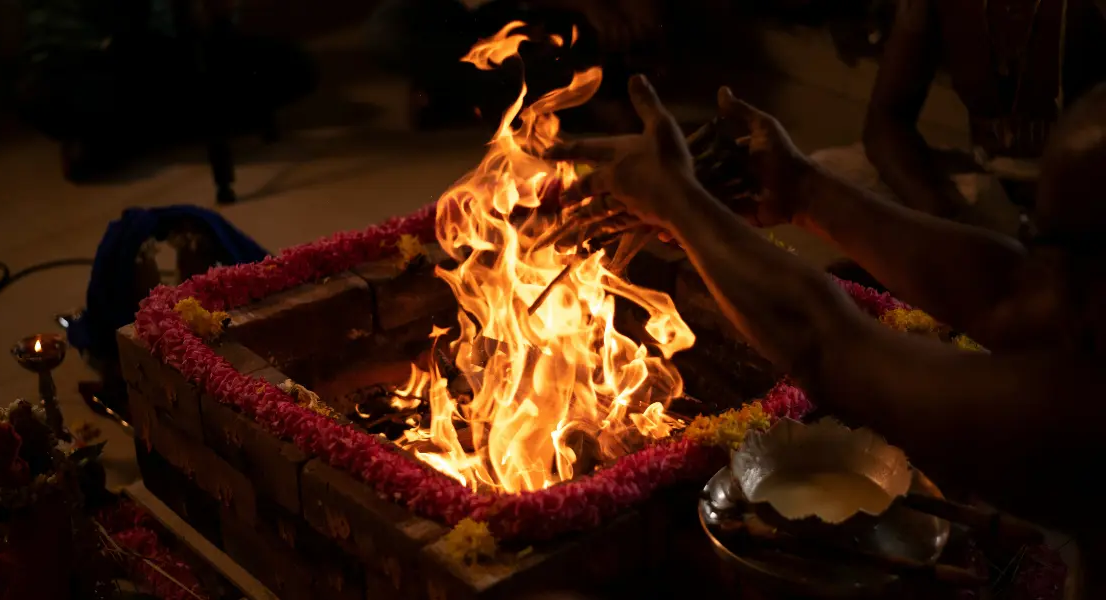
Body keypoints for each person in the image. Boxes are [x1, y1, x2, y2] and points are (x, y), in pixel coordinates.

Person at [547, 75, 1106, 591]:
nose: (1039, 265)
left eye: (1052, 244)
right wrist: (802, 192)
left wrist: (678, 202)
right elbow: (1010, 290)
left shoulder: (1083, 417)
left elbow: (827, 344)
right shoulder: (1078, 304)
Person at [813, 0, 1106, 237]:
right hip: (989, 192)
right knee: (829, 173)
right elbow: (886, 119)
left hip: (1076, 209)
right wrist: (939, 210)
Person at [366, 0, 663, 130]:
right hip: (457, 17)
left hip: (537, 19)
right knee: (388, 32)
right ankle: (574, 101)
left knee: (572, 44)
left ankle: (454, 96)